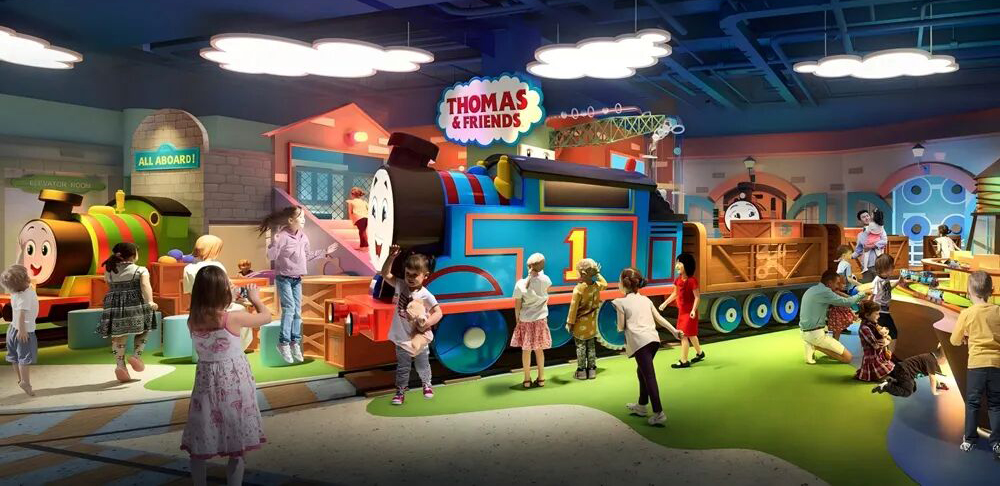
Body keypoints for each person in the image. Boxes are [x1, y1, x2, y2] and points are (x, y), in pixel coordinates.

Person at [181, 266, 272, 486]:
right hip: (233, 380)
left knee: (202, 429)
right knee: (236, 436)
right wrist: (255, 299)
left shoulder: (192, 319)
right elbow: (266, 317)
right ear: (221, 290)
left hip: (205, 381)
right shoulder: (233, 318)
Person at [257, 206, 339, 364]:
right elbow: (271, 256)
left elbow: (307, 256)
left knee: (297, 312)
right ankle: (283, 343)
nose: (303, 220)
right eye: (301, 217)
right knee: (289, 309)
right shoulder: (282, 236)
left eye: (304, 218)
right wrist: (274, 243)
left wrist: (325, 251)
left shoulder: (303, 237)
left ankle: (295, 342)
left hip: (297, 278)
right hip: (284, 278)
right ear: (290, 220)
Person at [613, 268, 682, 426]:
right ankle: (642, 406)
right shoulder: (646, 300)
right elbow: (659, 318)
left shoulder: (620, 303)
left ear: (623, 284)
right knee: (642, 372)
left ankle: (659, 413)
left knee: (649, 376)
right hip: (653, 341)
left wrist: (620, 322)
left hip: (640, 342)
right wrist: (674, 331)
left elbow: (621, 327)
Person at [381, 245, 442, 405]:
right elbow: (385, 274)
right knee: (403, 367)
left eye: (415, 275)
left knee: (422, 364)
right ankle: (400, 391)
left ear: (425, 276)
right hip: (402, 338)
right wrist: (391, 257)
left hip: (419, 337)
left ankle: (426, 384)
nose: (410, 278)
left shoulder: (426, 295)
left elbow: (438, 312)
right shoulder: (400, 285)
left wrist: (427, 323)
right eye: (408, 273)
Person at [949, 271, 1000, 458]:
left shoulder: (967, 313)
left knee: (972, 403)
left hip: (976, 364)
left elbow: (954, 340)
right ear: (991, 290)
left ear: (968, 291)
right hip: (997, 364)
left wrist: (965, 338)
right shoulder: (998, 311)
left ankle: (969, 440)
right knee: (996, 404)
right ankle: (997, 443)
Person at [97, 242, 158, 383]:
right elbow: (145, 285)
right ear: (133, 255)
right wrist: (150, 301)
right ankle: (136, 356)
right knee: (145, 328)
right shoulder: (140, 270)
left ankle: (120, 365)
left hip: (113, 306)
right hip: (135, 304)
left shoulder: (109, 270)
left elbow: (109, 285)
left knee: (119, 336)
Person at [799, 270, 867, 364]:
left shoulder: (813, 289)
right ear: (830, 283)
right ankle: (815, 346)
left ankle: (811, 343)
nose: (838, 286)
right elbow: (847, 302)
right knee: (848, 358)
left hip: (804, 331)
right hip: (815, 334)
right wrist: (862, 293)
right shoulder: (825, 292)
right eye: (837, 283)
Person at [511, 253, 552, 388]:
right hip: (540, 319)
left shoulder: (520, 284)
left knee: (526, 350)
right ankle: (541, 378)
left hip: (525, 320)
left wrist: (517, 320)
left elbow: (517, 305)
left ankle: (527, 379)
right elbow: (544, 285)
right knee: (539, 350)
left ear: (528, 266)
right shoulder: (546, 280)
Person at [658, 253, 703, 368]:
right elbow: (675, 294)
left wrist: (693, 310)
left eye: (680, 263)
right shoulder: (678, 280)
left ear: (687, 265)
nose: (677, 266)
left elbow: (697, 297)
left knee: (684, 335)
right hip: (682, 312)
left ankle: (684, 361)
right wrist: (665, 303)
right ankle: (700, 353)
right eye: (676, 263)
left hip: (690, 313)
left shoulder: (692, 281)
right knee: (691, 335)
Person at [566, 258, 606, 380]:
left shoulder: (578, 289)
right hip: (591, 323)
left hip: (580, 324)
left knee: (581, 347)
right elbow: (605, 284)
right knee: (591, 346)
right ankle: (592, 370)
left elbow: (573, 308)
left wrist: (570, 323)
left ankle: (581, 371)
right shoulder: (596, 286)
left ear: (583, 274)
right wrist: (597, 274)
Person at [2, 265, 38, 396]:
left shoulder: (15, 292)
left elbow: (16, 271)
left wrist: (21, 254)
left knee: (14, 357)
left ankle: (20, 379)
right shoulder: (26, 295)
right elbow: (22, 314)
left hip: (12, 329)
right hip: (24, 331)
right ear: (25, 280)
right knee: (24, 359)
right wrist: (22, 331)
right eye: (27, 275)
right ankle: (25, 382)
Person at [872, 348, 945, 397]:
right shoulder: (932, 361)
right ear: (942, 358)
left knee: (913, 388)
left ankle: (890, 381)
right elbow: (932, 378)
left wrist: (938, 384)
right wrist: (934, 392)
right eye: (946, 361)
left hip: (902, 370)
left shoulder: (930, 358)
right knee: (907, 391)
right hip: (904, 372)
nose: (945, 363)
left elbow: (933, 376)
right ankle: (886, 386)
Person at [855, 301, 894, 382]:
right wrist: (886, 340)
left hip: (879, 355)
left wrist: (886, 338)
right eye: (876, 314)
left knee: (888, 371)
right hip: (872, 357)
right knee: (880, 376)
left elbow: (885, 333)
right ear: (867, 315)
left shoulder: (873, 324)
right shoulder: (864, 328)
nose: (879, 316)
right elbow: (876, 345)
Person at [871, 254, 902, 352]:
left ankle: (888, 355)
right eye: (891, 267)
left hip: (885, 312)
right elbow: (871, 295)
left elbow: (888, 289)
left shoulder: (886, 279)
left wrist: (898, 282)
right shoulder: (877, 281)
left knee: (891, 334)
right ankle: (885, 355)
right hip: (879, 312)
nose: (893, 269)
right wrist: (868, 312)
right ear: (885, 268)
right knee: (888, 334)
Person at [853, 209, 887, 283]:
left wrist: (871, 246)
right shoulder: (860, 235)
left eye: (867, 216)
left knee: (882, 285)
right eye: (863, 217)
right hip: (866, 266)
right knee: (867, 287)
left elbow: (884, 241)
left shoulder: (880, 228)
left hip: (879, 264)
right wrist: (848, 256)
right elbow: (858, 250)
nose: (866, 218)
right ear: (860, 220)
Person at [826, 274, 857, 342]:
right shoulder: (836, 292)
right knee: (837, 331)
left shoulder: (837, 292)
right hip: (837, 314)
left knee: (837, 331)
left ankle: (835, 342)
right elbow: (848, 298)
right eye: (843, 284)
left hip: (838, 313)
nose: (845, 285)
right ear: (838, 284)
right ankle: (836, 342)